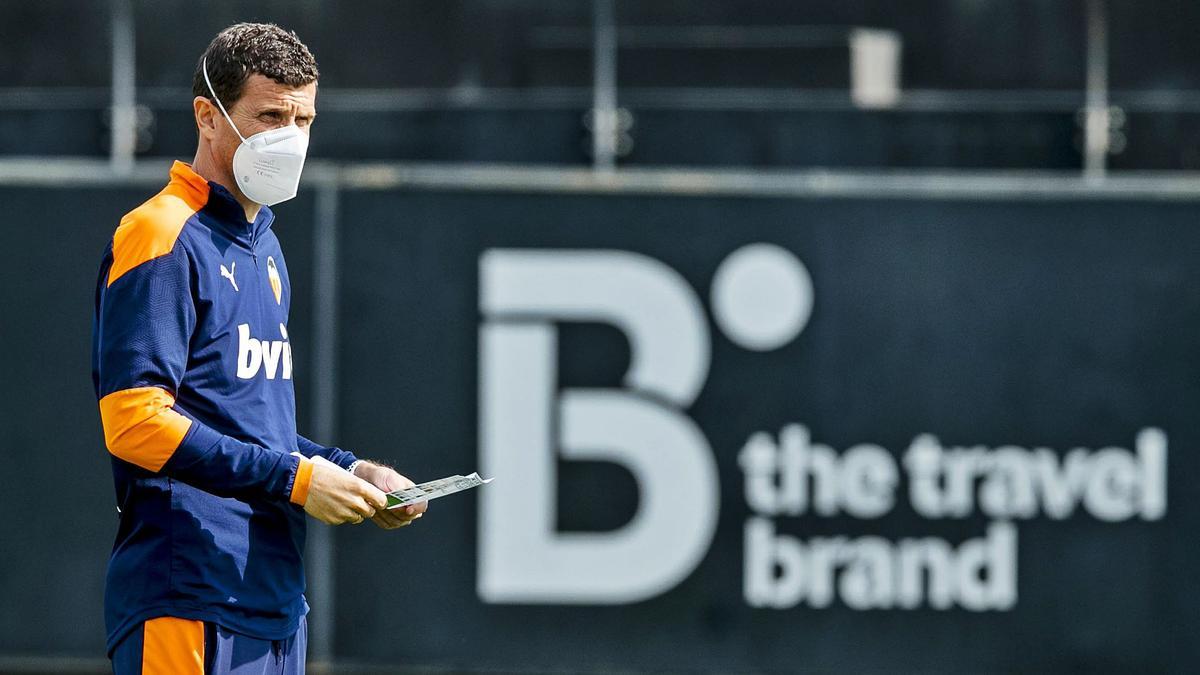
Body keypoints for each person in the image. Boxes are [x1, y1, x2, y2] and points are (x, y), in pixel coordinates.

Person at [91, 22, 427, 673]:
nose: (291, 137)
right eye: (271, 115)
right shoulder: (160, 233)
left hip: (271, 600)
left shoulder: (263, 246)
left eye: (304, 118)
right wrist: (298, 479)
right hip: (188, 595)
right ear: (208, 117)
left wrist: (350, 469)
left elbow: (247, 423)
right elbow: (133, 421)